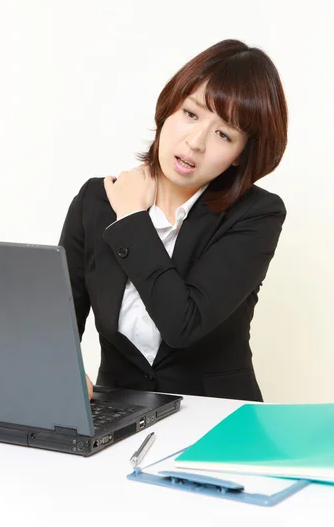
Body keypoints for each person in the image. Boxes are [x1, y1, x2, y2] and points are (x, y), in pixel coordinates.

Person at [59, 39, 288, 402]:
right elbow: (59, 319)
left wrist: (132, 219)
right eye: (191, 114)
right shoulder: (96, 201)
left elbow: (183, 324)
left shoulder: (256, 215)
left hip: (218, 422)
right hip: (118, 414)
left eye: (224, 134)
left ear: (239, 157)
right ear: (168, 108)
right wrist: (63, 377)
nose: (196, 142)